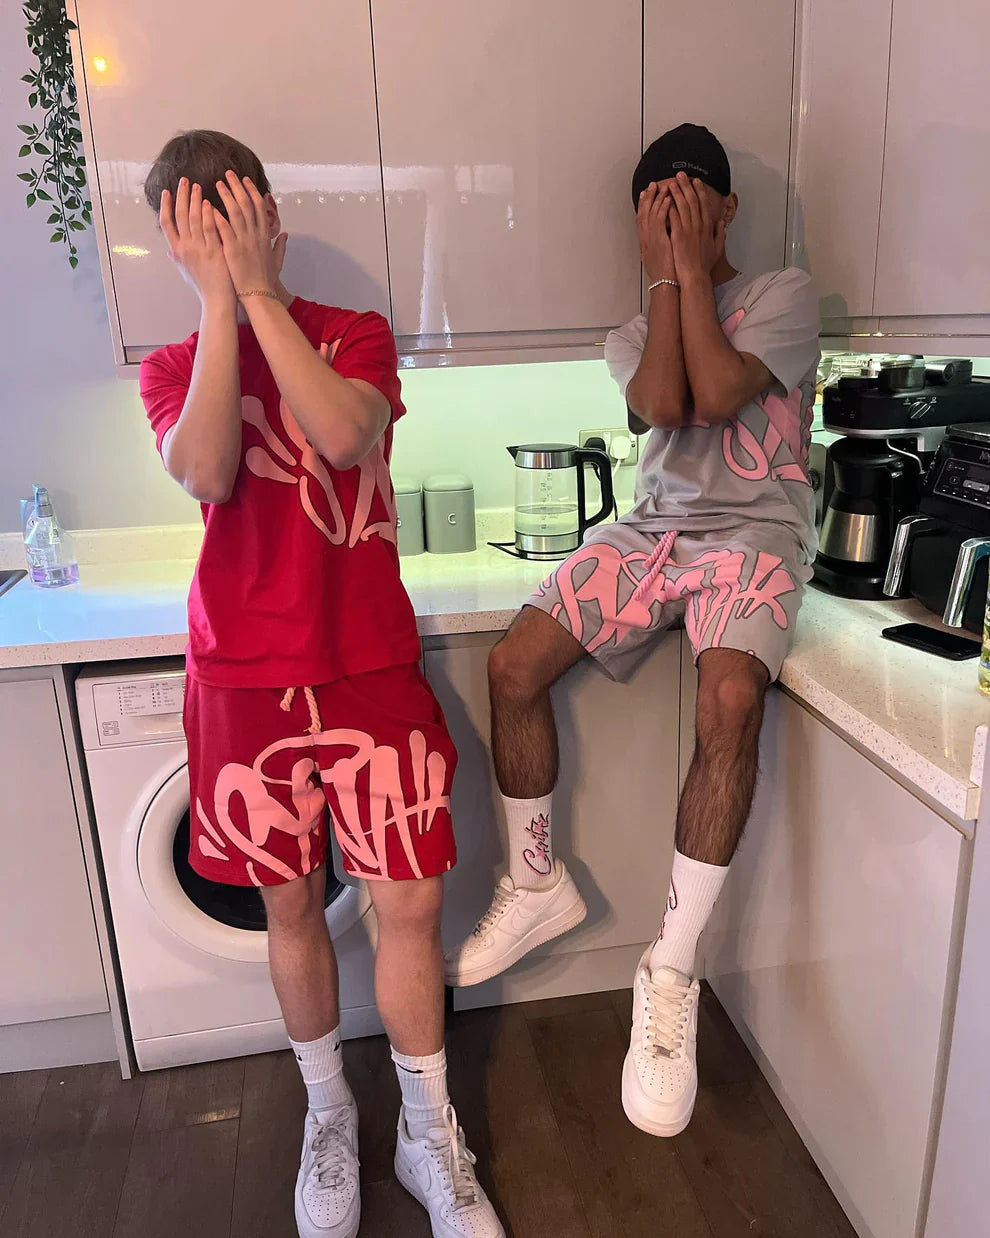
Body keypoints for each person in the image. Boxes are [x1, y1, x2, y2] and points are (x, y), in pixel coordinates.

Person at [139, 130, 504, 1238]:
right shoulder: (170, 368)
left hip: (367, 664)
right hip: (242, 680)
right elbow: (208, 469)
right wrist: (221, 302)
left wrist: (257, 292)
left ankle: (427, 1132)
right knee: (291, 902)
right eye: (198, 236)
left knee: (411, 902)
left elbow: (345, 437)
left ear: (271, 223)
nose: (222, 247)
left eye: (236, 225)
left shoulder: (354, 335)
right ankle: (330, 1115)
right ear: (174, 246)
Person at [445, 123, 821, 1138]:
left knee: (731, 697)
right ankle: (536, 881)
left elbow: (722, 390)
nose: (675, 224)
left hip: (754, 534)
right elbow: (665, 403)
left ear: (728, 211)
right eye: (657, 212)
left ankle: (671, 968)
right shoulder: (631, 332)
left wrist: (689, 269)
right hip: (653, 531)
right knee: (514, 664)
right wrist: (666, 278)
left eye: (691, 205)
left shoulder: (783, 295)